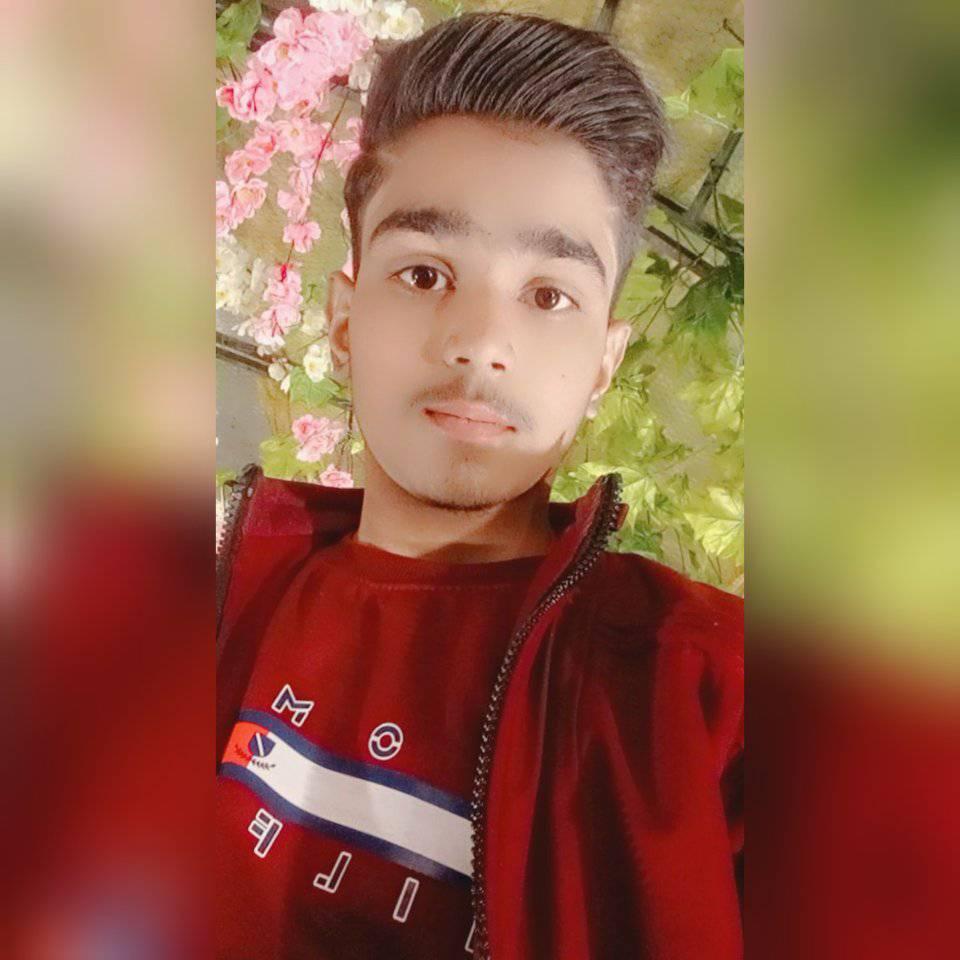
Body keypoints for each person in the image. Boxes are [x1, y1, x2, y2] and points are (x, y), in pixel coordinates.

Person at [217, 12, 743, 960]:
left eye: (549, 295)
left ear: (603, 363)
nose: (480, 342)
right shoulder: (207, 610)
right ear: (344, 320)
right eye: (424, 273)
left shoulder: (697, 689)